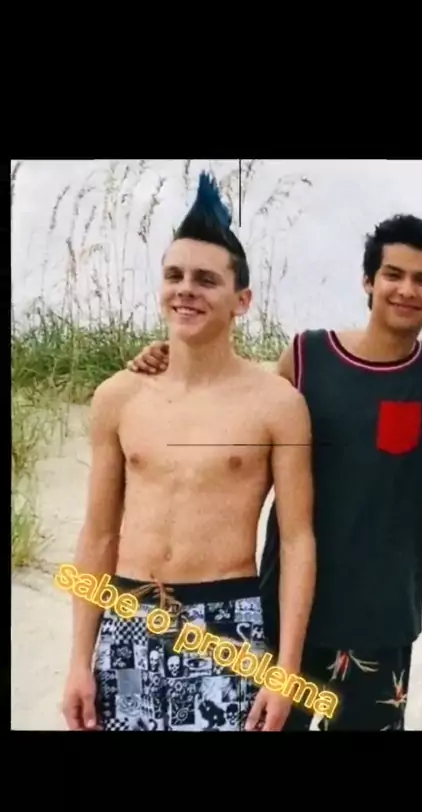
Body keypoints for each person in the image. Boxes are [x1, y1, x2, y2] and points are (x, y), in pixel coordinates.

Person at [128, 212, 422, 731]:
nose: (405, 290)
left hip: (381, 621)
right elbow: (235, 415)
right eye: (392, 274)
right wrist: (170, 356)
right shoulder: (307, 356)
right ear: (368, 280)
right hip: (284, 613)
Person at [61, 172, 316, 733]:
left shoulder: (277, 404)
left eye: (206, 280)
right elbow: (98, 535)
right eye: (174, 275)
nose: (186, 290)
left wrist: (285, 669)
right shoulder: (118, 396)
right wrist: (79, 660)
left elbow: (298, 540)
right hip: (128, 616)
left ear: (241, 300)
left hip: (225, 624)